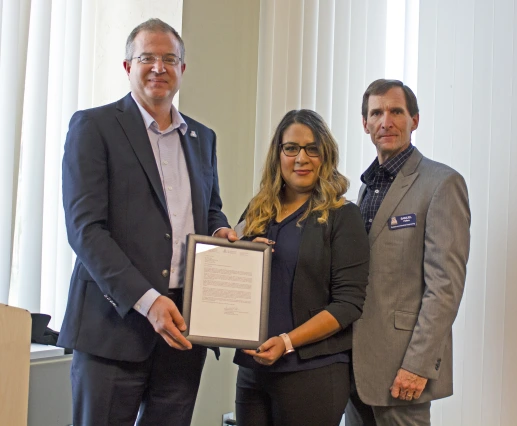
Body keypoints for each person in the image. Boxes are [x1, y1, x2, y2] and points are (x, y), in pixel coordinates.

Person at [57, 18, 236, 426]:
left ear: (182, 70)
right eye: (147, 58)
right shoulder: (94, 127)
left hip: (183, 329)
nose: (159, 67)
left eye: (169, 59)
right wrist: (147, 300)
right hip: (112, 325)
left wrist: (222, 233)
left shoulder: (202, 138)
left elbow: (210, 210)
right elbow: (85, 229)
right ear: (127, 66)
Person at [346, 79, 471, 426]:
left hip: (403, 370)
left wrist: (418, 365)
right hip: (357, 370)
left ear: (414, 120)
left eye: (396, 111)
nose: (386, 121)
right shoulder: (365, 189)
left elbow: (444, 287)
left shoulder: (441, 184)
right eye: (376, 112)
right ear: (365, 124)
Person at [233, 109, 370, 426]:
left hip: (313, 371)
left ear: (325, 156)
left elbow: (348, 304)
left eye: (312, 149)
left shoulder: (342, 215)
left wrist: (287, 341)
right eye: (291, 148)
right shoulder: (258, 211)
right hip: (253, 370)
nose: (301, 158)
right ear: (278, 155)